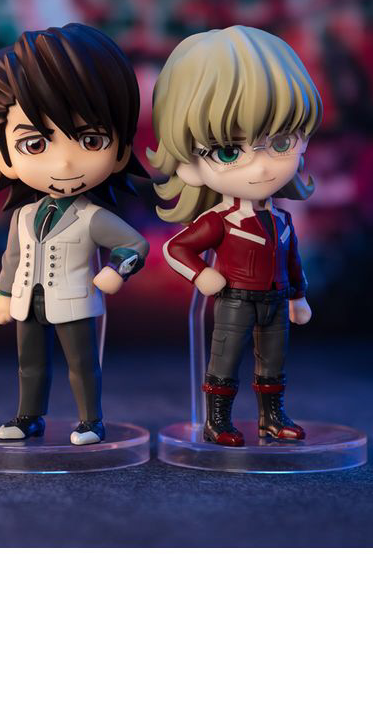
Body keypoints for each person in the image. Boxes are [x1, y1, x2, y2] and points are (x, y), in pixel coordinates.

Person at [148, 25, 322, 446]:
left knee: (273, 361)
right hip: (235, 300)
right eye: (228, 151)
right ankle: (218, 421)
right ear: (189, 165)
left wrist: (298, 296)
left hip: (276, 299)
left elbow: (292, 261)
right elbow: (177, 247)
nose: (260, 167)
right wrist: (202, 275)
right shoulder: (221, 220)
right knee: (225, 359)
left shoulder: (282, 220)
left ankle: (272, 417)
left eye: (281, 142)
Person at [0, 23, 149, 445]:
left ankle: (90, 421)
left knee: (81, 365)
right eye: (36, 145)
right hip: (27, 301)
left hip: (73, 300)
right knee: (30, 364)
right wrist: (4, 295)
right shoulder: (23, 216)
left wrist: (117, 270)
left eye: (90, 140)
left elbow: (134, 244)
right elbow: (12, 259)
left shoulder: (92, 216)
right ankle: (28, 416)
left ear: (120, 152)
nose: (65, 164)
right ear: (4, 156)